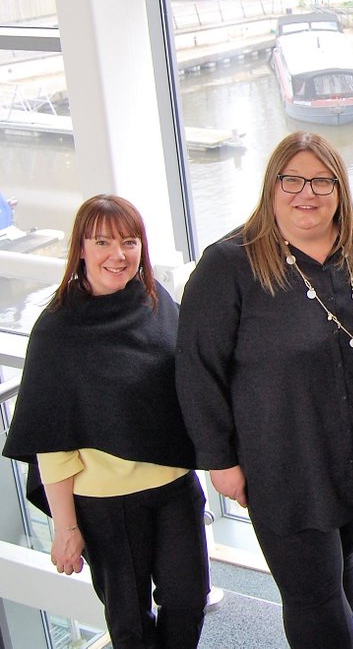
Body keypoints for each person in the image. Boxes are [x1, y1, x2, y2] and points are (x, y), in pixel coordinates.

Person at [176, 131, 353, 649]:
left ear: (340, 187)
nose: (305, 193)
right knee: (312, 595)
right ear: (271, 185)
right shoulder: (229, 265)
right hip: (283, 462)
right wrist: (220, 461)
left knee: (343, 564)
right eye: (291, 179)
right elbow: (198, 370)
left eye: (320, 180)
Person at [3, 194, 209, 648]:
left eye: (129, 242)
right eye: (102, 242)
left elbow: (191, 386)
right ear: (80, 248)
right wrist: (66, 529)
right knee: (130, 625)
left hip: (174, 487)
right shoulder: (57, 330)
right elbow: (51, 439)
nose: (118, 255)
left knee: (189, 602)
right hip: (106, 504)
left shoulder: (159, 304)